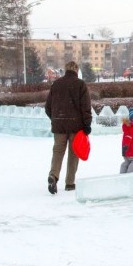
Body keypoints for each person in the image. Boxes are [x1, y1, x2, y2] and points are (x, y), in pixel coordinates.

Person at [44, 60, 92, 194]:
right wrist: (87, 124)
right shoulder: (80, 84)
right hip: (76, 126)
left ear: (65, 70)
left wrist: (55, 119)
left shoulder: (56, 84)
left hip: (59, 126)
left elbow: (48, 107)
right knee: (73, 153)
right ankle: (70, 183)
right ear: (76, 70)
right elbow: (86, 107)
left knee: (58, 152)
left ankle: (53, 175)